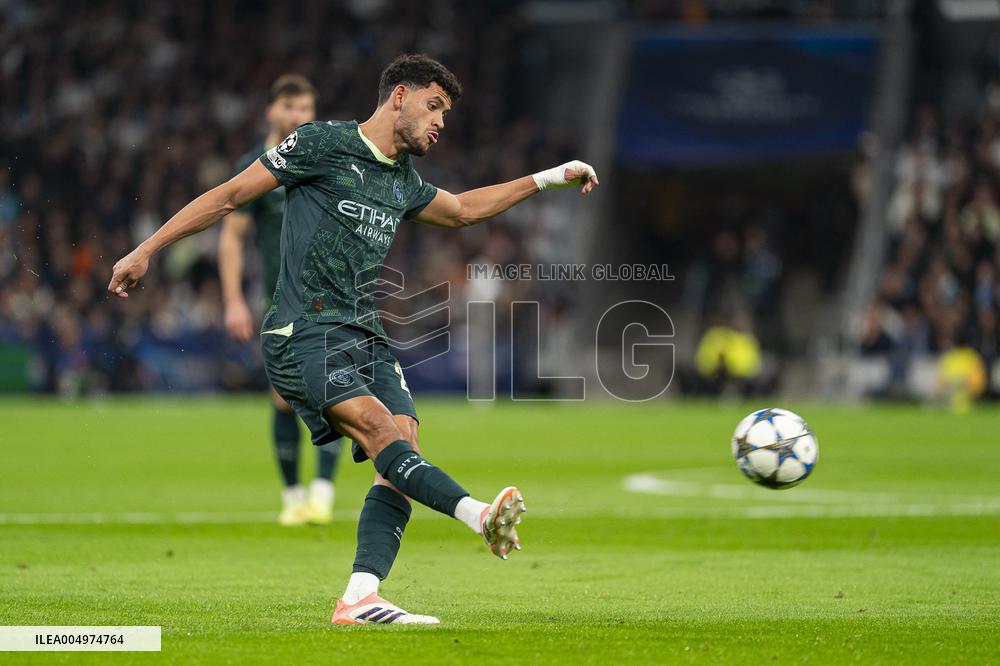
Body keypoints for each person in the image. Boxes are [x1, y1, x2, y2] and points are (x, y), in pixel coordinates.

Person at [108, 53, 598, 625]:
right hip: (302, 331)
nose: (441, 122)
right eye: (434, 106)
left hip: (364, 334)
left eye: (447, 113)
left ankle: (361, 596)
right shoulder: (320, 144)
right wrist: (146, 249)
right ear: (399, 96)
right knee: (379, 428)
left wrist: (547, 177)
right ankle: (476, 513)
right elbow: (229, 196)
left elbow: (464, 210)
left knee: (402, 449)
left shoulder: (402, 181)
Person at [218, 74, 341, 527]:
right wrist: (233, 299)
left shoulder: (326, 159)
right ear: (271, 110)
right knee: (284, 396)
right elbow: (232, 237)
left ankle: (322, 493)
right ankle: (293, 495)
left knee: (332, 388)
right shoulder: (255, 166)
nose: (298, 117)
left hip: (330, 297)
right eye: (290, 107)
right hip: (278, 299)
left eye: (306, 109)